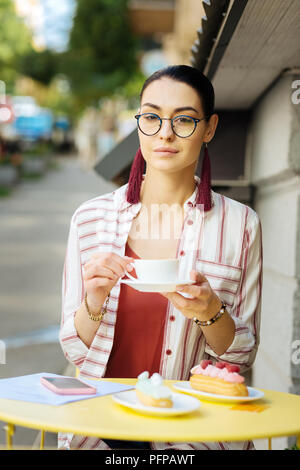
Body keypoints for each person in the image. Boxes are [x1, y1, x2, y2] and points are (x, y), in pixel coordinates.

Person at [59, 65, 263, 450]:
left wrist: (209, 310)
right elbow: (73, 348)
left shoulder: (241, 225)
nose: (165, 133)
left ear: (209, 128)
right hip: (99, 432)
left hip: (192, 437)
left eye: (184, 119)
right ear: (138, 123)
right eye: (151, 117)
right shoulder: (90, 219)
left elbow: (241, 354)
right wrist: (95, 300)